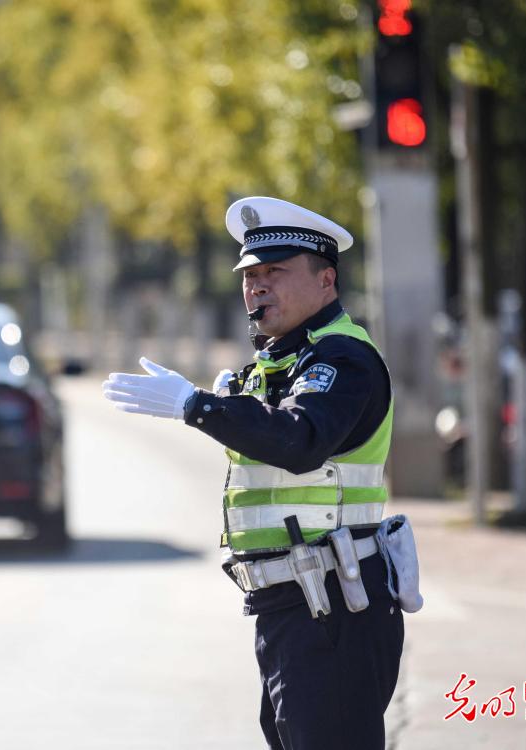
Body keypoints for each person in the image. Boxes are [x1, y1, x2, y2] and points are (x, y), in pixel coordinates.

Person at [103, 196, 406, 750]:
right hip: (292, 606)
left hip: (335, 604)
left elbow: (299, 439)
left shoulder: (341, 359)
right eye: (250, 274)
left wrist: (199, 407)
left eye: (276, 272)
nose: (257, 286)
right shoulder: (282, 363)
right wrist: (228, 399)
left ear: (326, 281)